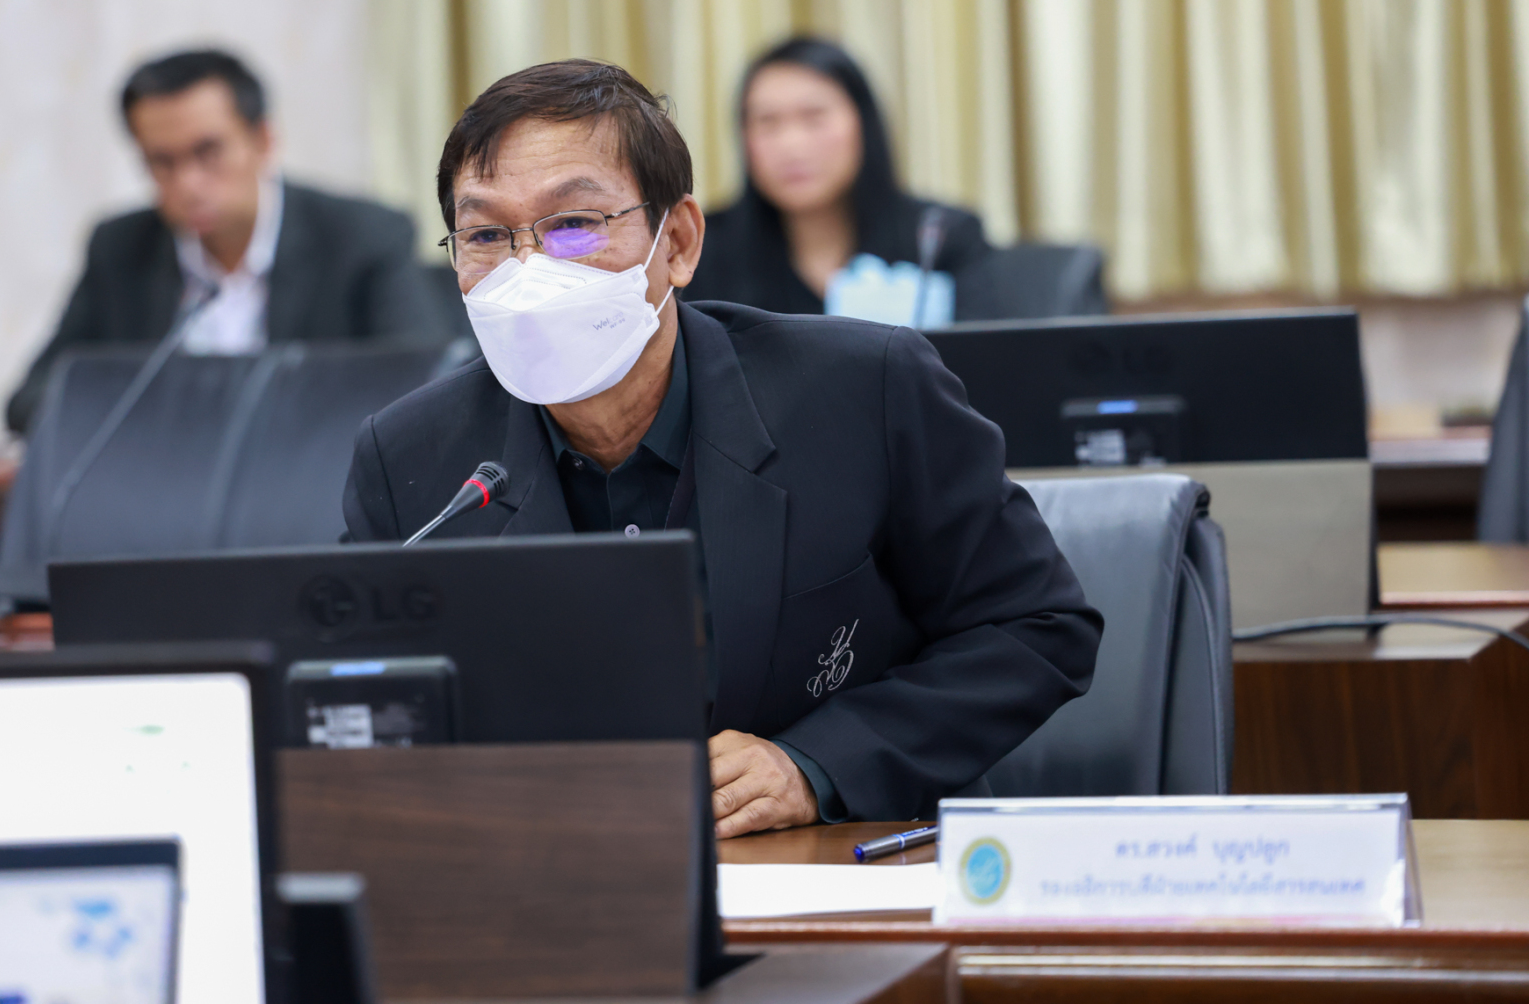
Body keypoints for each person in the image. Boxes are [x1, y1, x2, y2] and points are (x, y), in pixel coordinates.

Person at [342, 60, 1101, 837]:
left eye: (573, 224)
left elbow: (1037, 627)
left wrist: (817, 766)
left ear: (677, 242)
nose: (528, 269)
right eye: (486, 235)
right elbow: (355, 705)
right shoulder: (411, 461)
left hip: (842, 866)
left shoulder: (864, 390)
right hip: (562, 872)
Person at [5, 48, 444, 434]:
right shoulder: (121, 248)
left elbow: (423, 384)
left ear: (263, 140)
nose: (188, 183)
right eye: (162, 162)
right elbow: (31, 401)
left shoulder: (360, 236)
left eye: (207, 153)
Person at [687, 36, 990, 316]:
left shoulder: (939, 237)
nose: (792, 146)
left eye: (814, 117)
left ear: (863, 124)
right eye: (767, 122)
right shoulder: (700, 247)